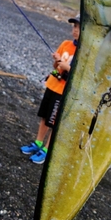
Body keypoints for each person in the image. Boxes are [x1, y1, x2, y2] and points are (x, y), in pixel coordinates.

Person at [21, 15, 80, 164]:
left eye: (79, 28)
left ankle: (47, 150)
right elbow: (56, 67)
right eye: (74, 27)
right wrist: (57, 61)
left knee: (54, 122)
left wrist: (64, 64)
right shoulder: (66, 44)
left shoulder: (84, 53)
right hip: (53, 85)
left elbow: (77, 73)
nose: (76, 30)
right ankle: (38, 143)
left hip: (63, 92)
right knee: (44, 117)